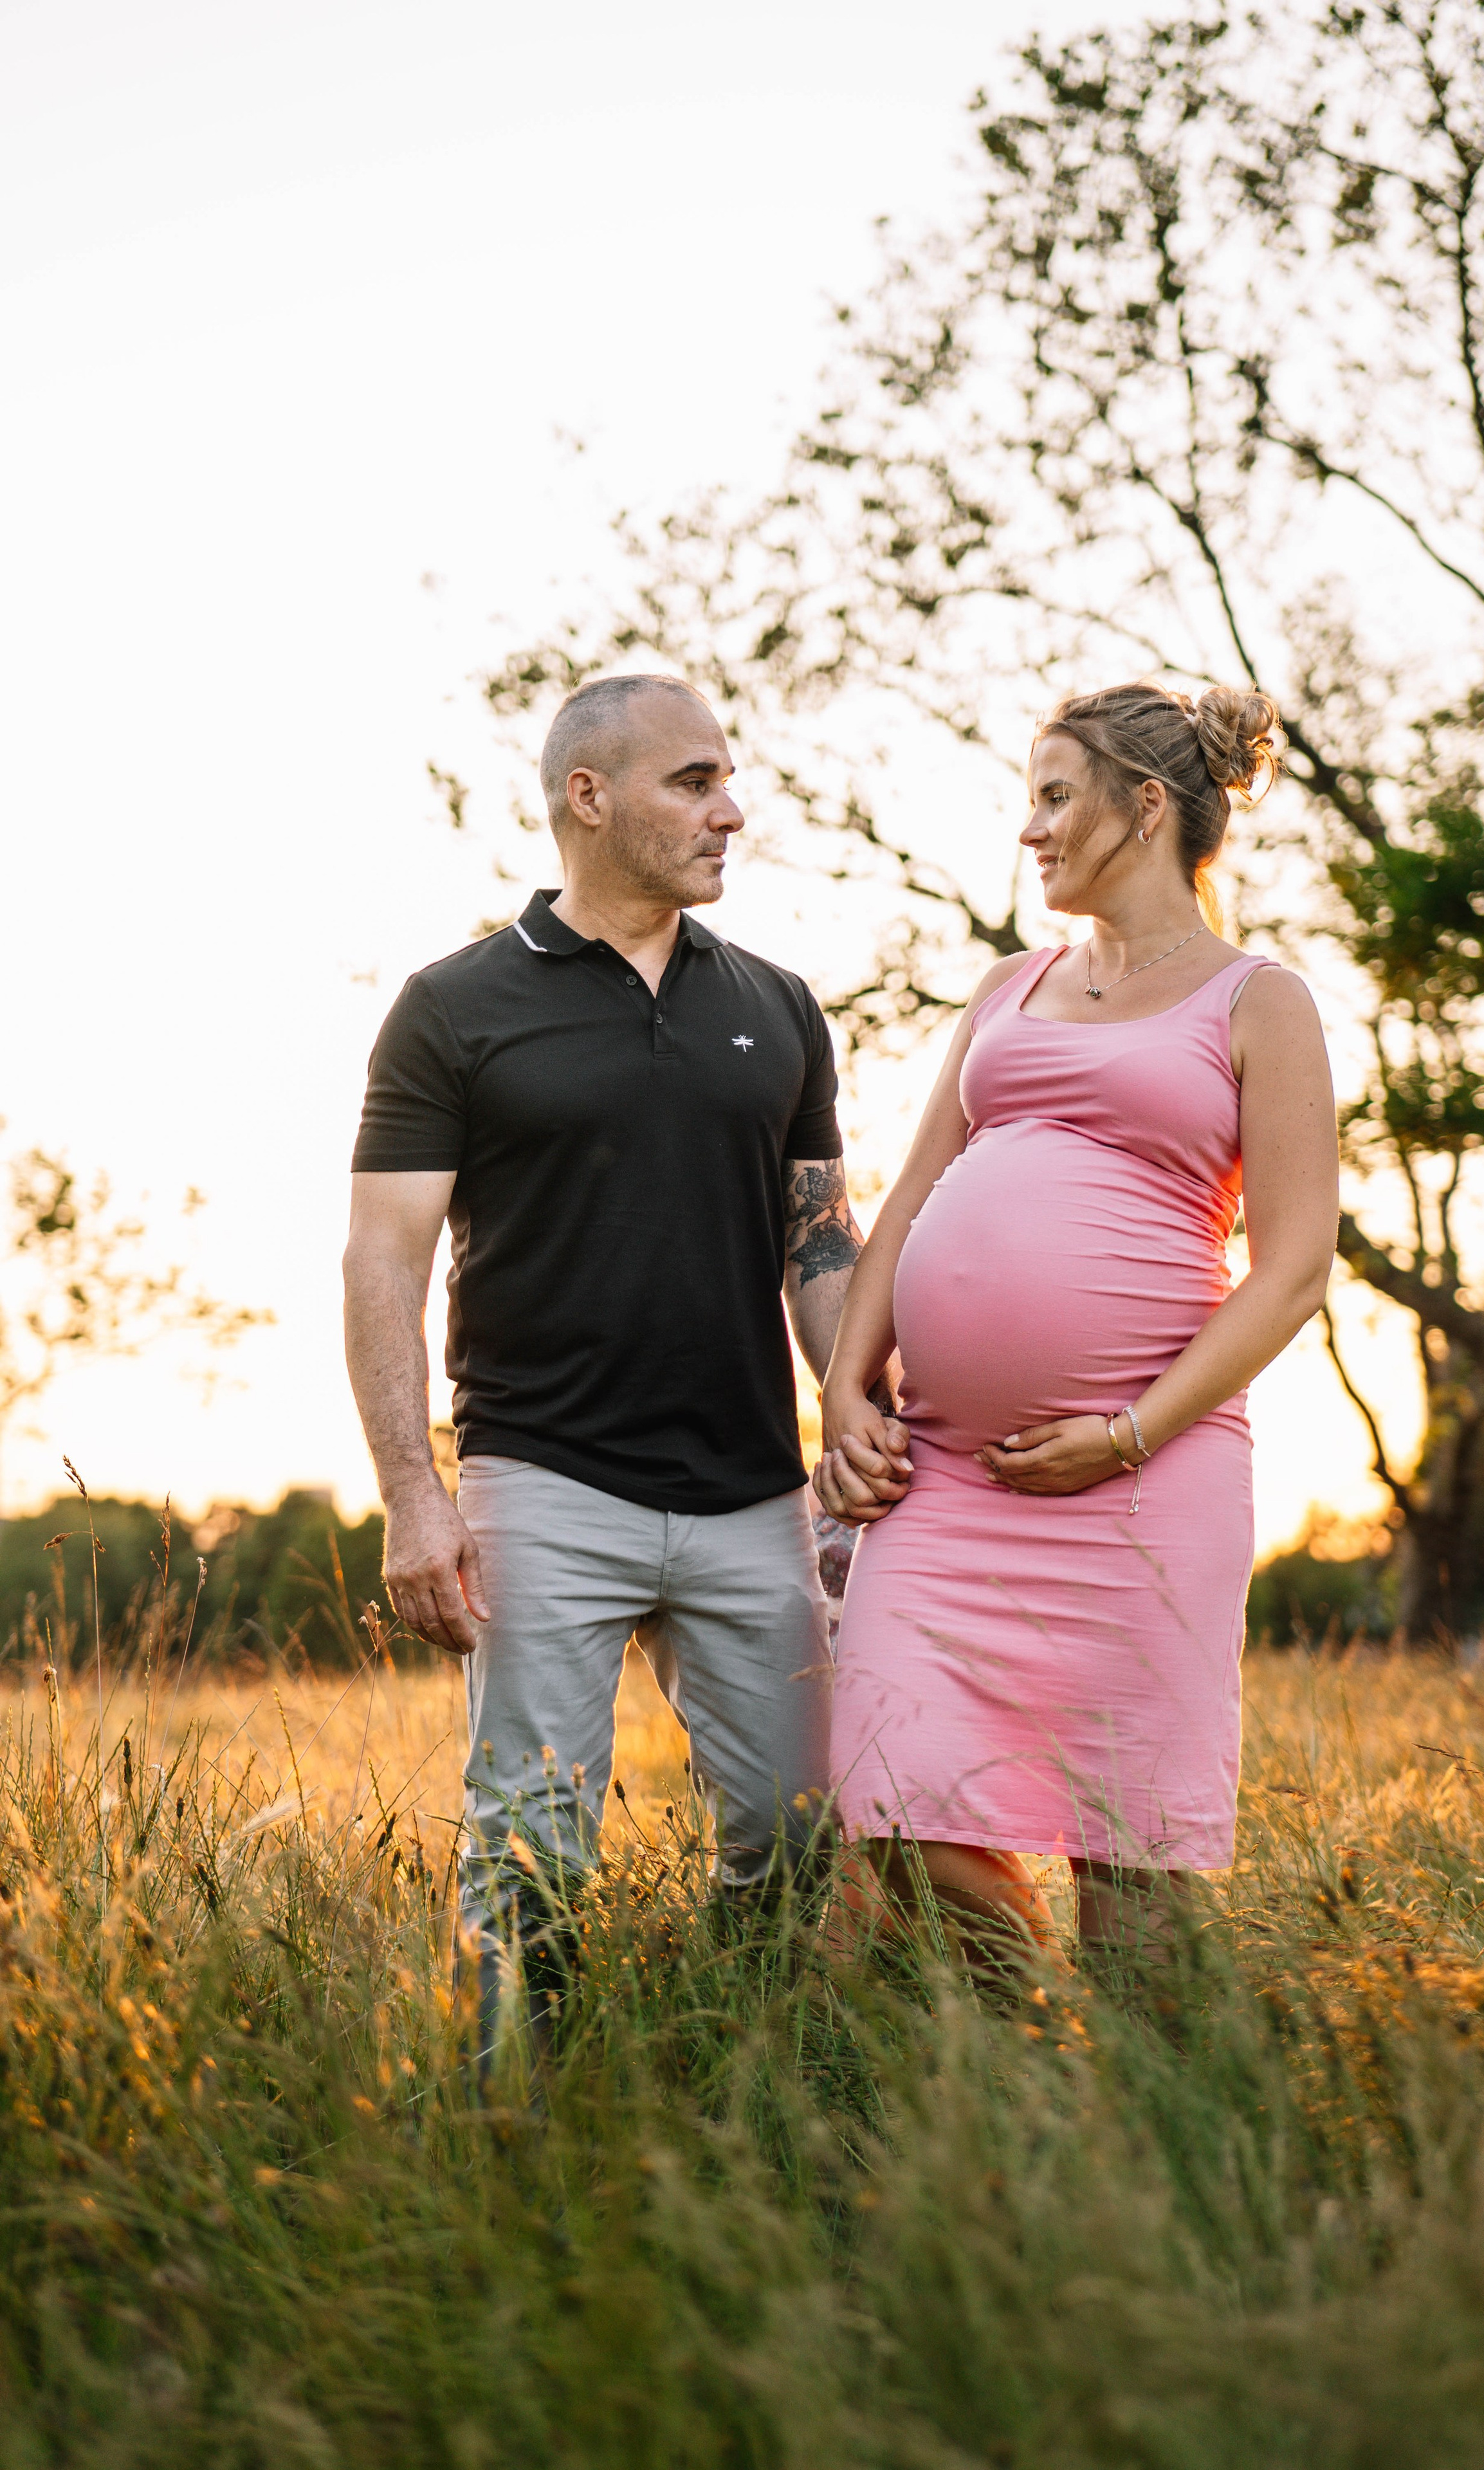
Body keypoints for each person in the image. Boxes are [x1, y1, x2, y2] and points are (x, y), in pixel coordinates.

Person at [344, 673, 906, 2043]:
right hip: (544, 1486)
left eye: (727, 780)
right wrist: (413, 1492)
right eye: (695, 781)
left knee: (796, 1835)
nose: (731, 811)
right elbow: (383, 1260)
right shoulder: (453, 1007)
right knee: (529, 1849)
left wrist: (854, 1410)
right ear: (587, 797)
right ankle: (516, 2119)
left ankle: (745, 2076)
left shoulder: (778, 1007)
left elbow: (819, 1242)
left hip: (752, 1495)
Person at [815, 681, 1338, 1968]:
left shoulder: (1257, 1002)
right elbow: (909, 1198)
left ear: (1145, 806)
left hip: (1149, 1478)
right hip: (945, 1478)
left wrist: (1126, 1434)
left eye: (1055, 796)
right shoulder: (1008, 988)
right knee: (897, 1805)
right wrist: (842, 1394)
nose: (1030, 829)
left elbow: (1292, 1272)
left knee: (1131, 1860)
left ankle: (1141, 2088)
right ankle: (1039, 2051)